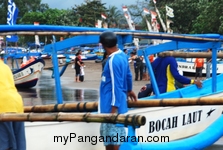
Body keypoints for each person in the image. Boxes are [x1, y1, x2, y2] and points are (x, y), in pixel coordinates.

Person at [99, 31, 137, 150]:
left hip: (111, 107)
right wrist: (129, 90)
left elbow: (117, 85)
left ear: (103, 45)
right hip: (115, 106)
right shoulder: (122, 55)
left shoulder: (112, 61)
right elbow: (128, 75)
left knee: (114, 141)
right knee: (111, 139)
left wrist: (113, 109)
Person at [0, 59, 26, 150]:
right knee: (19, 141)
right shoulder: (5, 66)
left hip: (2, 106)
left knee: (4, 144)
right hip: (16, 104)